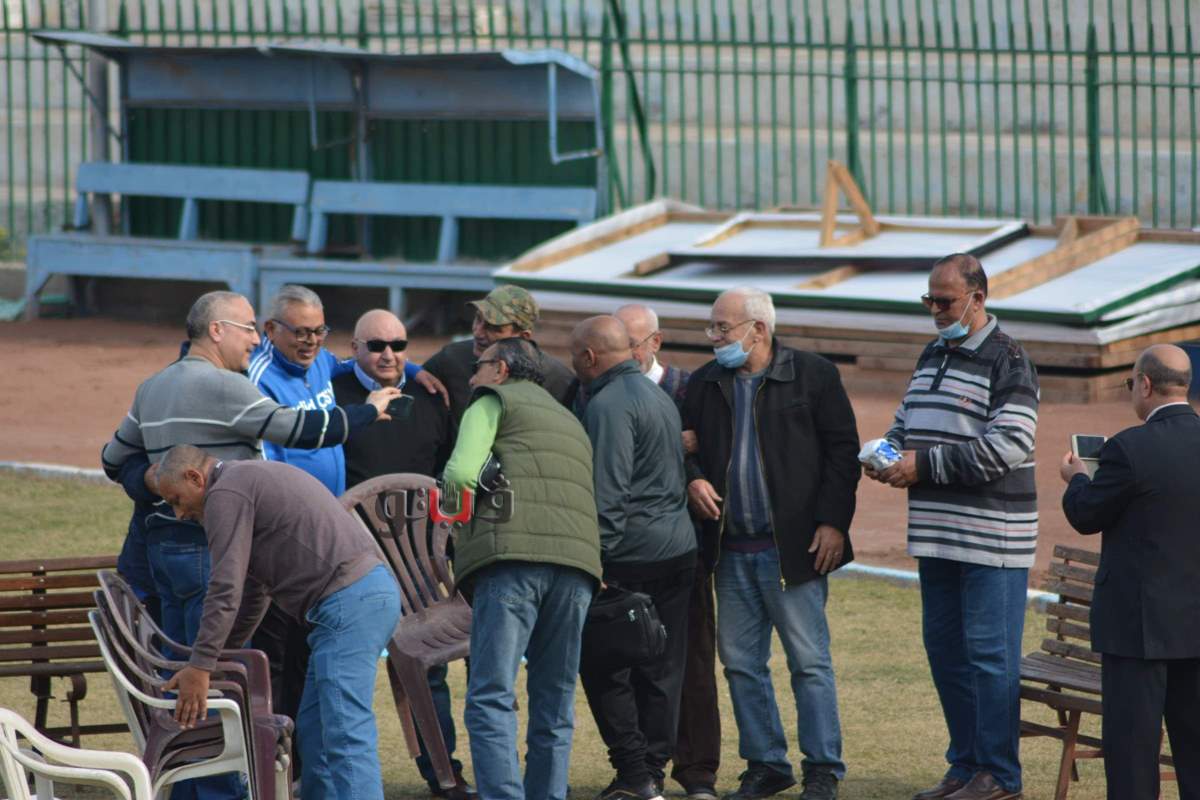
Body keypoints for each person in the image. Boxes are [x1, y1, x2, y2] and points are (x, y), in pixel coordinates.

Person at [99, 290, 398, 800]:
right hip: (219, 558)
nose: (256, 340)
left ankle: (198, 790)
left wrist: (151, 483)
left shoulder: (152, 389)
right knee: (233, 701)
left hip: (164, 554)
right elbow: (300, 429)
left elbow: (112, 460)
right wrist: (367, 412)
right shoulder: (227, 393)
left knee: (206, 692)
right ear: (217, 331)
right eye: (249, 328)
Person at [867, 254, 1039, 800]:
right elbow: (906, 420)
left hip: (993, 540)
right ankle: (965, 766)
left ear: (977, 298)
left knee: (990, 659)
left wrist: (923, 466)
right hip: (938, 537)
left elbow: (1009, 445)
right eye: (929, 301)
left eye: (945, 302)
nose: (936, 311)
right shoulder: (932, 352)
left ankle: (1000, 775)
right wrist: (887, 452)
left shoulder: (1009, 360)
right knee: (946, 655)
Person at [684, 287, 859, 800]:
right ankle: (766, 764)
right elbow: (684, 445)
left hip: (795, 550)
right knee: (741, 665)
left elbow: (843, 454)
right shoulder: (704, 383)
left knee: (809, 663)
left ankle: (822, 768)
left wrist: (833, 523)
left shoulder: (814, 375)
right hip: (730, 552)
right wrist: (692, 477)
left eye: (723, 328)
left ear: (758, 329)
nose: (714, 337)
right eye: (712, 327)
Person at [153, 445, 401, 800]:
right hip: (361, 598)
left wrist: (202, 665)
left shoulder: (226, 492)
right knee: (316, 732)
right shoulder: (244, 481)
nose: (178, 514)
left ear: (195, 477)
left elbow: (225, 587)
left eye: (176, 500)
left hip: (349, 604)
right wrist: (220, 657)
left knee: (345, 732)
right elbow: (254, 593)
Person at [442, 337, 602, 800]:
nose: (472, 375)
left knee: (491, 695)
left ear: (501, 370)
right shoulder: (570, 419)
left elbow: (460, 474)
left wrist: (451, 521)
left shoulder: (491, 400)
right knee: (555, 699)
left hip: (511, 561)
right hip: (577, 567)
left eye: (479, 365)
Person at [331, 309, 469, 799]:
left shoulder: (430, 396)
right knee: (338, 668)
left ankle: (444, 774)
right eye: (376, 346)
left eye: (398, 345)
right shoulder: (331, 393)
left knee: (429, 665)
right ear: (354, 349)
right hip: (351, 561)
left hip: (420, 562)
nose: (388, 354)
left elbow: (449, 473)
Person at [1060, 344, 1200, 800]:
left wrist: (1078, 479)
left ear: (1144, 384)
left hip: (1136, 627)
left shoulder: (1128, 447)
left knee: (1133, 754)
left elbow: (1086, 514)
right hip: (1195, 624)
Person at [570, 316, 697, 800]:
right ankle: (652, 773)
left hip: (630, 556)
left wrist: (596, 560)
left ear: (589, 357)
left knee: (604, 666)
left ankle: (634, 773)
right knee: (662, 667)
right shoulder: (656, 395)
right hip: (677, 548)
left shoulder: (608, 405)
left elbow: (609, 491)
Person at [613, 303, 718, 800]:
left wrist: (691, 471)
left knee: (691, 664)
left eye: (630, 344)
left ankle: (697, 773)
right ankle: (642, 772)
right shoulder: (597, 391)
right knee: (631, 664)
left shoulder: (691, 390)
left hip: (684, 554)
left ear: (655, 342)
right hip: (626, 555)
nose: (622, 354)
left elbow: (719, 449)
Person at [422, 285, 575, 422]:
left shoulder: (559, 380)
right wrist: (412, 370)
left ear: (523, 337)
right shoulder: (451, 359)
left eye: (493, 327)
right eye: (478, 319)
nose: (478, 332)